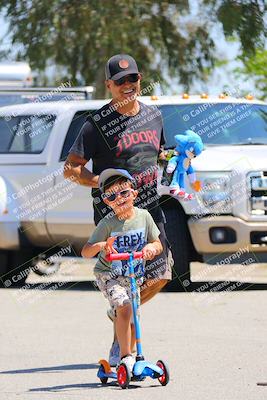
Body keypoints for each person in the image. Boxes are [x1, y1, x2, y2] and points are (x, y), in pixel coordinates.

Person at [64, 53, 173, 366]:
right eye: (120, 81)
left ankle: (118, 315)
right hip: (115, 217)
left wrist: (175, 161)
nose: (128, 85)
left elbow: (160, 154)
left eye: (133, 79)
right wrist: (101, 182)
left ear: (140, 80)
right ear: (108, 85)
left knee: (161, 273)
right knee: (128, 282)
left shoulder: (153, 116)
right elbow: (70, 169)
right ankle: (121, 337)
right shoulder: (96, 124)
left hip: (150, 209)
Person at [81, 169, 163, 372]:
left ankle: (128, 351)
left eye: (124, 193)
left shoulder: (144, 217)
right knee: (125, 309)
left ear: (134, 194)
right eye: (112, 196)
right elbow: (85, 252)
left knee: (134, 318)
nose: (119, 198)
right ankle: (126, 356)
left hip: (133, 276)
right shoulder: (107, 224)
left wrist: (150, 248)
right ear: (107, 202)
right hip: (109, 275)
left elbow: (157, 243)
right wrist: (101, 246)